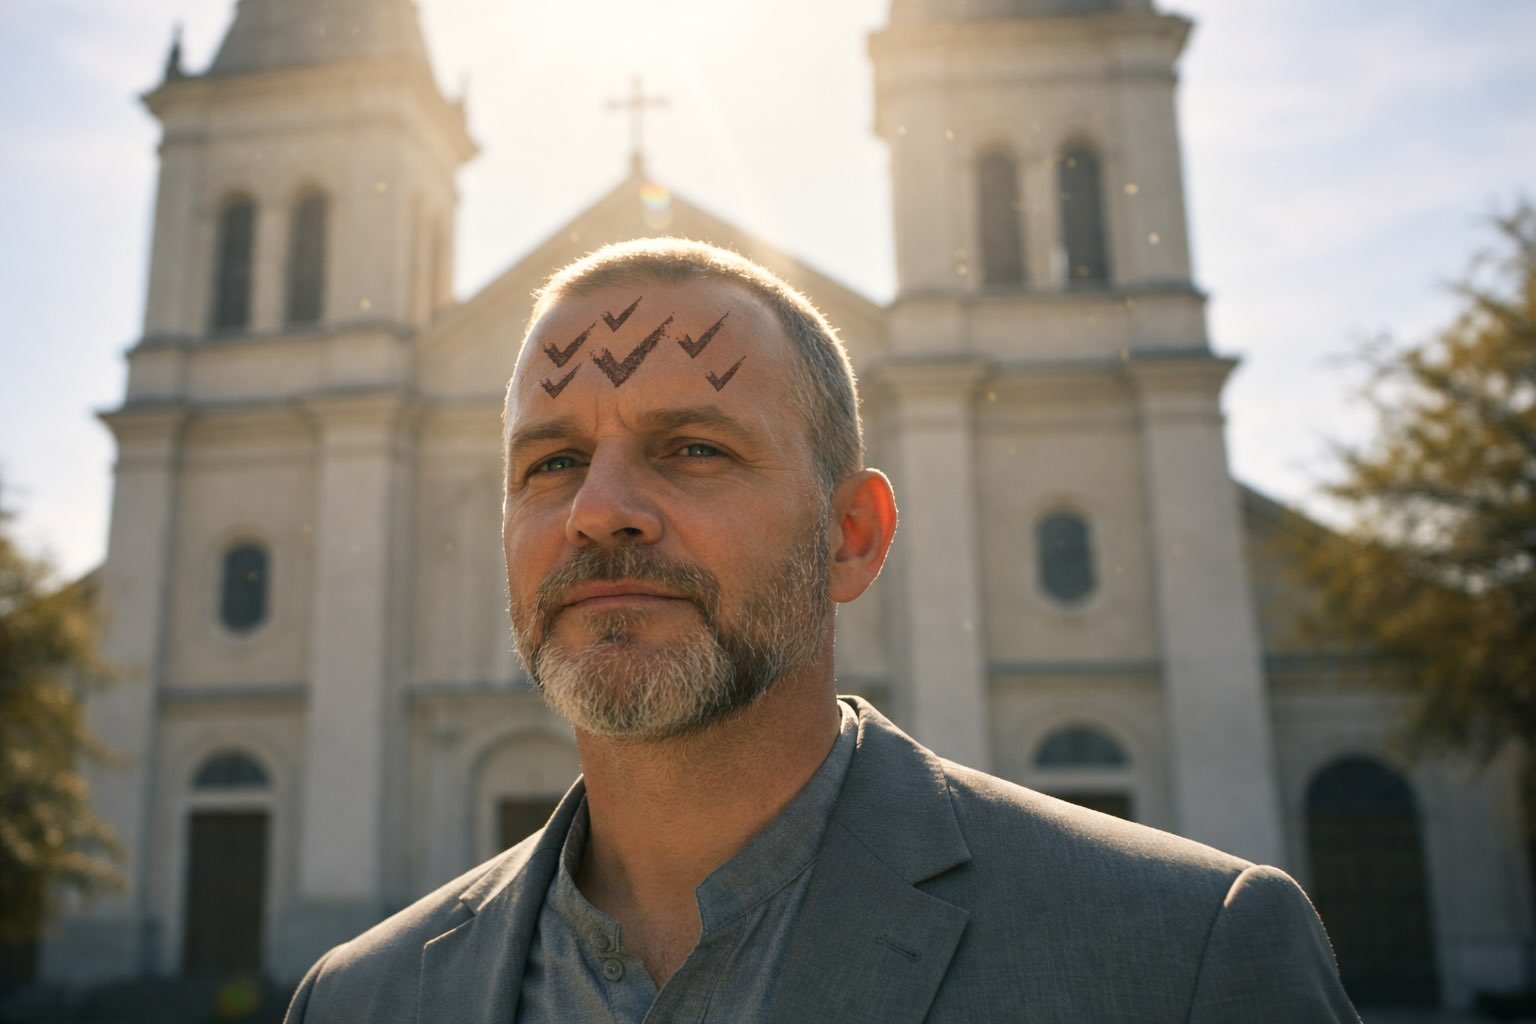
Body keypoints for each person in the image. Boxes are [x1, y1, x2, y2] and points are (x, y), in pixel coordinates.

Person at [284, 238, 1360, 1023]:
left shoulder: (1187, 959)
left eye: (694, 448)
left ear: (851, 534)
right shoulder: (355, 1000)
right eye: (551, 462)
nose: (598, 509)